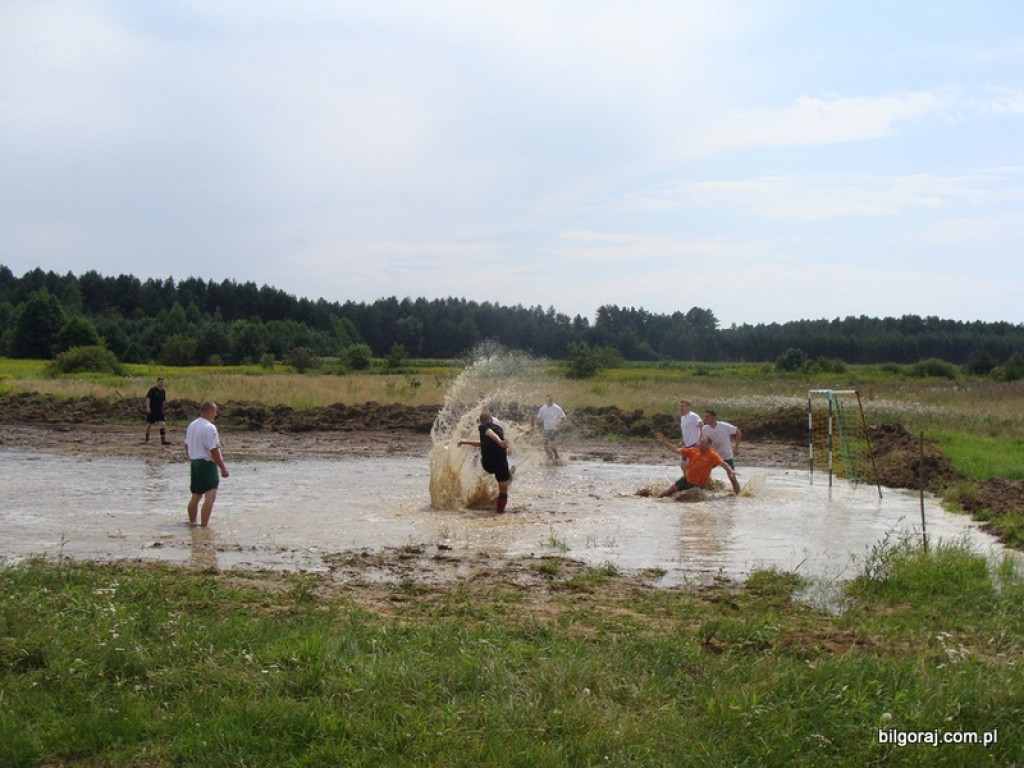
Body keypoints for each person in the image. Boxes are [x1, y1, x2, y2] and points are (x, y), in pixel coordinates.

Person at [184, 401, 229, 526]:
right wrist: (223, 468)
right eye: (215, 412)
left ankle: (192, 523)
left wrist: (191, 459)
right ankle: (204, 526)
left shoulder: (192, 425)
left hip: (195, 463)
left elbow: (186, 445)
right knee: (210, 496)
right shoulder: (209, 427)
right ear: (209, 411)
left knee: (196, 495)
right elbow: (213, 449)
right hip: (206, 464)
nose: (215, 415)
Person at [457, 410, 512, 513]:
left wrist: (465, 441)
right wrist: (500, 441)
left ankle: (504, 479)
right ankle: (500, 512)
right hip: (501, 463)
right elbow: (488, 437)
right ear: (491, 420)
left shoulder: (482, 427)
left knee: (502, 481)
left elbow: (487, 434)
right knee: (504, 488)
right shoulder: (499, 430)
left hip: (488, 464)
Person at [656, 433, 740, 496]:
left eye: (702, 443)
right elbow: (676, 450)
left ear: (708, 445)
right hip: (686, 479)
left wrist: (731, 471)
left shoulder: (713, 455)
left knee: (690, 501)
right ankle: (655, 500)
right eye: (700, 442)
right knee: (668, 492)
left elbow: (723, 464)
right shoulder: (693, 451)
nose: (700, 444)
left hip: (699, 485)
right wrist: (665, 443)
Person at [536, 394, 568, 461]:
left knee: (551, 445)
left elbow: (564, 418)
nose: (549, 401)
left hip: (554, 430)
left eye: (550, 400)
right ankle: (550, 459)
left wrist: (558, 427)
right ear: (545, 400)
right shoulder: (542, 409)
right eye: (547, 400)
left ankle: (556, 456)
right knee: (545, 447)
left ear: (552, 400)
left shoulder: (557, 408)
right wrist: (536, 427)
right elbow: (539, 419)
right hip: (546, 430)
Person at [145, 377, 169, 444]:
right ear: (157, 382)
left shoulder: (163, 391)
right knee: (149, 424)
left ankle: (163, 440)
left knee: (163, 424)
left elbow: (163, 401)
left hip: (159, 411)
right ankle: (147, 439)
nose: (161, 383)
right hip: (152, 410)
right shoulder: (152, 390)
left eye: (162, 382)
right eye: (160, 381)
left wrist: (163, 409)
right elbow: (148, 399)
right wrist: (148, 407)